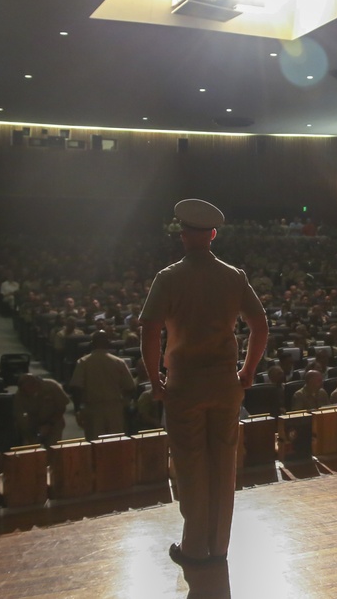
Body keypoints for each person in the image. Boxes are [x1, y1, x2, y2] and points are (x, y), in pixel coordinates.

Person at [139, 198, 268, 566]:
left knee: (191, 467)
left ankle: (194, 547)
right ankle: (220, 546)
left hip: (184, 385)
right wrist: (248, 371)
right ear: (213, 235)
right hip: (226, 384)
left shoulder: (168, 278)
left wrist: (154, 379)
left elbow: (149, 332)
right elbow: (260, 326)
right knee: (224, 465)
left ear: (183, 236)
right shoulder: (234, 276)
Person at [69, 330, 136, 440]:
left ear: (92, 343)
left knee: (95, 445)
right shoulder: (118, 362)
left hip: (93, 409)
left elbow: (76, 388)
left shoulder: (83, 362)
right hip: (114, 408)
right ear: (108, 343)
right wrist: (124, 402)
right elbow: (130, 387)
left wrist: (78, 410)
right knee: (115, 443)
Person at [14, 373, 71, 446]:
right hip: (33, 424)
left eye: (30, 387)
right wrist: (26, 434)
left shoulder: (51, 386)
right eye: (25, 389)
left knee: (53, 448)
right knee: (32, 449)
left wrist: (49, 424)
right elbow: (19, 416)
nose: (29, 392)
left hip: (54, 421)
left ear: (35, 384)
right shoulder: (19, 395)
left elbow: (62, 407)